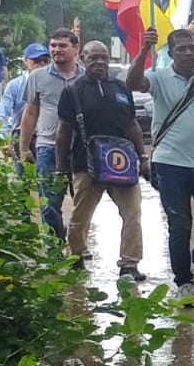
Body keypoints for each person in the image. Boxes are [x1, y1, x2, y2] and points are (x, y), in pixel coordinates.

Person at [127, 28, 194, 299]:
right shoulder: (160, 78)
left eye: (193, 48)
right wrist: (144, 50)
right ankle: (183, 282)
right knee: (180, 224)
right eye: (181, 49)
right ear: (171, 53)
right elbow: (132, 83)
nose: (188, 52)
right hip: (170, 162)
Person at [54, 41, 148, 280]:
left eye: (103, 58)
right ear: (82, 59)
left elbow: (132, 124)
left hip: (123, 165)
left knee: (133, 214)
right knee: (80, 216)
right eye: (93, 58)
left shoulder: (121, 88)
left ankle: (129, 264)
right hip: (86, 164)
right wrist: (60, 168)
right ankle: (76, 257)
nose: (99, 62)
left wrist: (143, 157)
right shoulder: (72, 91)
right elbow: (63, 132)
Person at [20, 28, 84, 240]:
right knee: (49, 206)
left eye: (62, 45)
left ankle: (77, 246)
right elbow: (30, 113)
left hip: (81, 149)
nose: (57, 50)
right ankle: (54, 249)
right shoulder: (37, 77)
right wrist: (23, 148)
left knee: (83, 203)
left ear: (75, 49)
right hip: (47, 148)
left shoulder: (86, 77)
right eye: (53, 45)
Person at [0, 43, 50, 150]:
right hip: (21, 137)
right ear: (26, 61)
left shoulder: (53, 84)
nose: (41, 64)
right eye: (36, 60)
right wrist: (4, 140)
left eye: (45, 61)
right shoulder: (15, 85)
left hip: (48, 139)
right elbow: (2, 113)